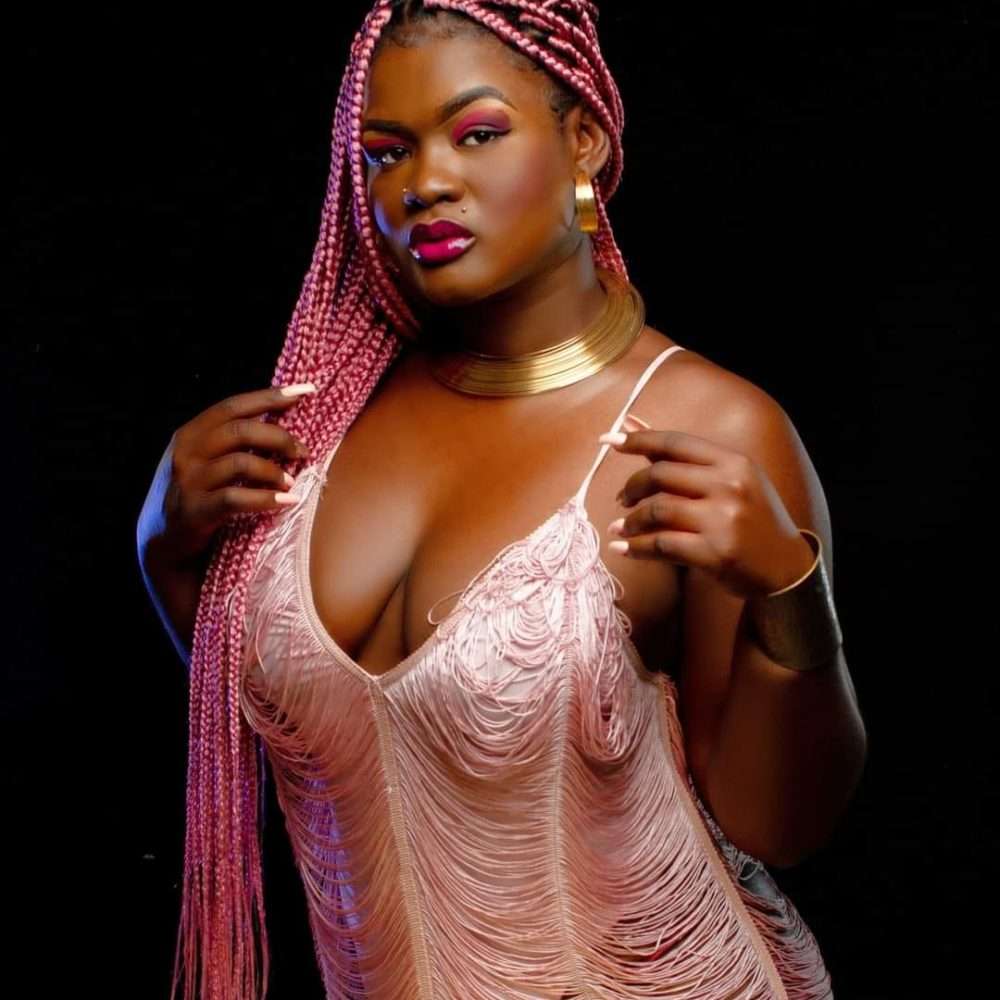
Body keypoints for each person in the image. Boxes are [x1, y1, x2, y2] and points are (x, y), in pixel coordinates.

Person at [136, 2, 867, 997]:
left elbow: (779, 824)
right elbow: (297, 732)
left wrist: (790, 592)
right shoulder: (323, 422)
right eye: (386, 152)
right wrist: (165, 546)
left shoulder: (708, 426)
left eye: (477, 134)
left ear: (584, 140)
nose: (426, 183)